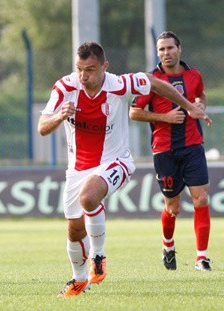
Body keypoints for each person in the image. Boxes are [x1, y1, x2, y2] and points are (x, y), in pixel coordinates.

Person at [38, 41, 211, 297]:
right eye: (79, 69)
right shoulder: (65, 87)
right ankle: (78, 280)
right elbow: (43, 127)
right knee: (74, 229)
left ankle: (98, 255)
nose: (84, 76)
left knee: (88, 197)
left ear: (104, 67)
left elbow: (153, 82)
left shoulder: (119, 84)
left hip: (115, 161)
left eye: (91, 69)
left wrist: (188, 105)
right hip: (77, 168)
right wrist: (59, 116)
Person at [130, 31, 212, 271]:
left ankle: (202, 258)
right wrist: (164, 117)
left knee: (201, 198)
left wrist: (200, 105)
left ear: (179, 49)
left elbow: (201, 94)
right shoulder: (151, 80)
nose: (166, 53)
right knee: (173, 208)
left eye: (169, 48)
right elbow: (133, 112)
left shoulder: (193, 75)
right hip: (164, 150)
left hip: (193, 146)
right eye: (161, 50)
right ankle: (168, 246)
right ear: (158, 54)